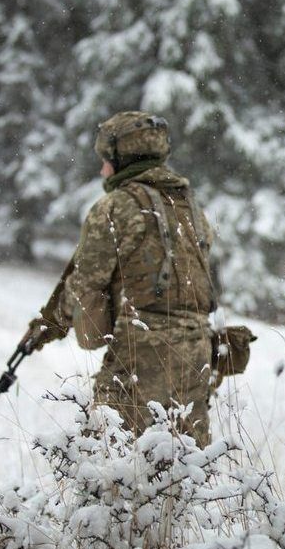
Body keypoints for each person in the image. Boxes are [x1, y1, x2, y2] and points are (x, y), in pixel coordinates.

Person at [50, 111, 217, 444]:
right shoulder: (189, 205)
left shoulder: (115, 206)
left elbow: (86, 280)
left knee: (110, 460)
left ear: (122, 158)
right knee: (187, 463)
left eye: (106, 161)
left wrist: (53, 322)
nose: (102, 170)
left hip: (141, 352)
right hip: (197, 352)